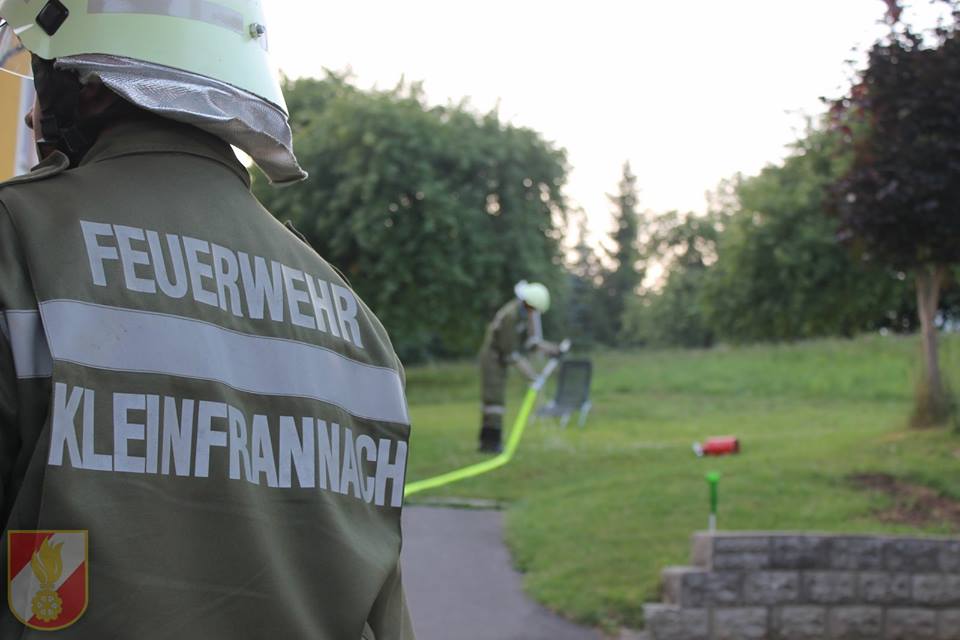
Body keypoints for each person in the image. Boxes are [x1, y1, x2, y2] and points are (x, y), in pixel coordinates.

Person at [0, 2, 414, 638]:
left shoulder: (18, 240)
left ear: (92, 86)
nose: (32, 115)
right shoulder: (355, 322)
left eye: (42, 76)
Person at [477, 281, 561, 453]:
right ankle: (490, 442)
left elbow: (532, 343)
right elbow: (511, 354)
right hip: (493, 358)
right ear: (528, 304)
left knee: (497, 400)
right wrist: (531, 376)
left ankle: (489, 441)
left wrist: (553, 350)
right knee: (494, 400)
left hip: (502, 358)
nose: (534, 314)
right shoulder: (511, 316)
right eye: (534, 310)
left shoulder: (524, 314)